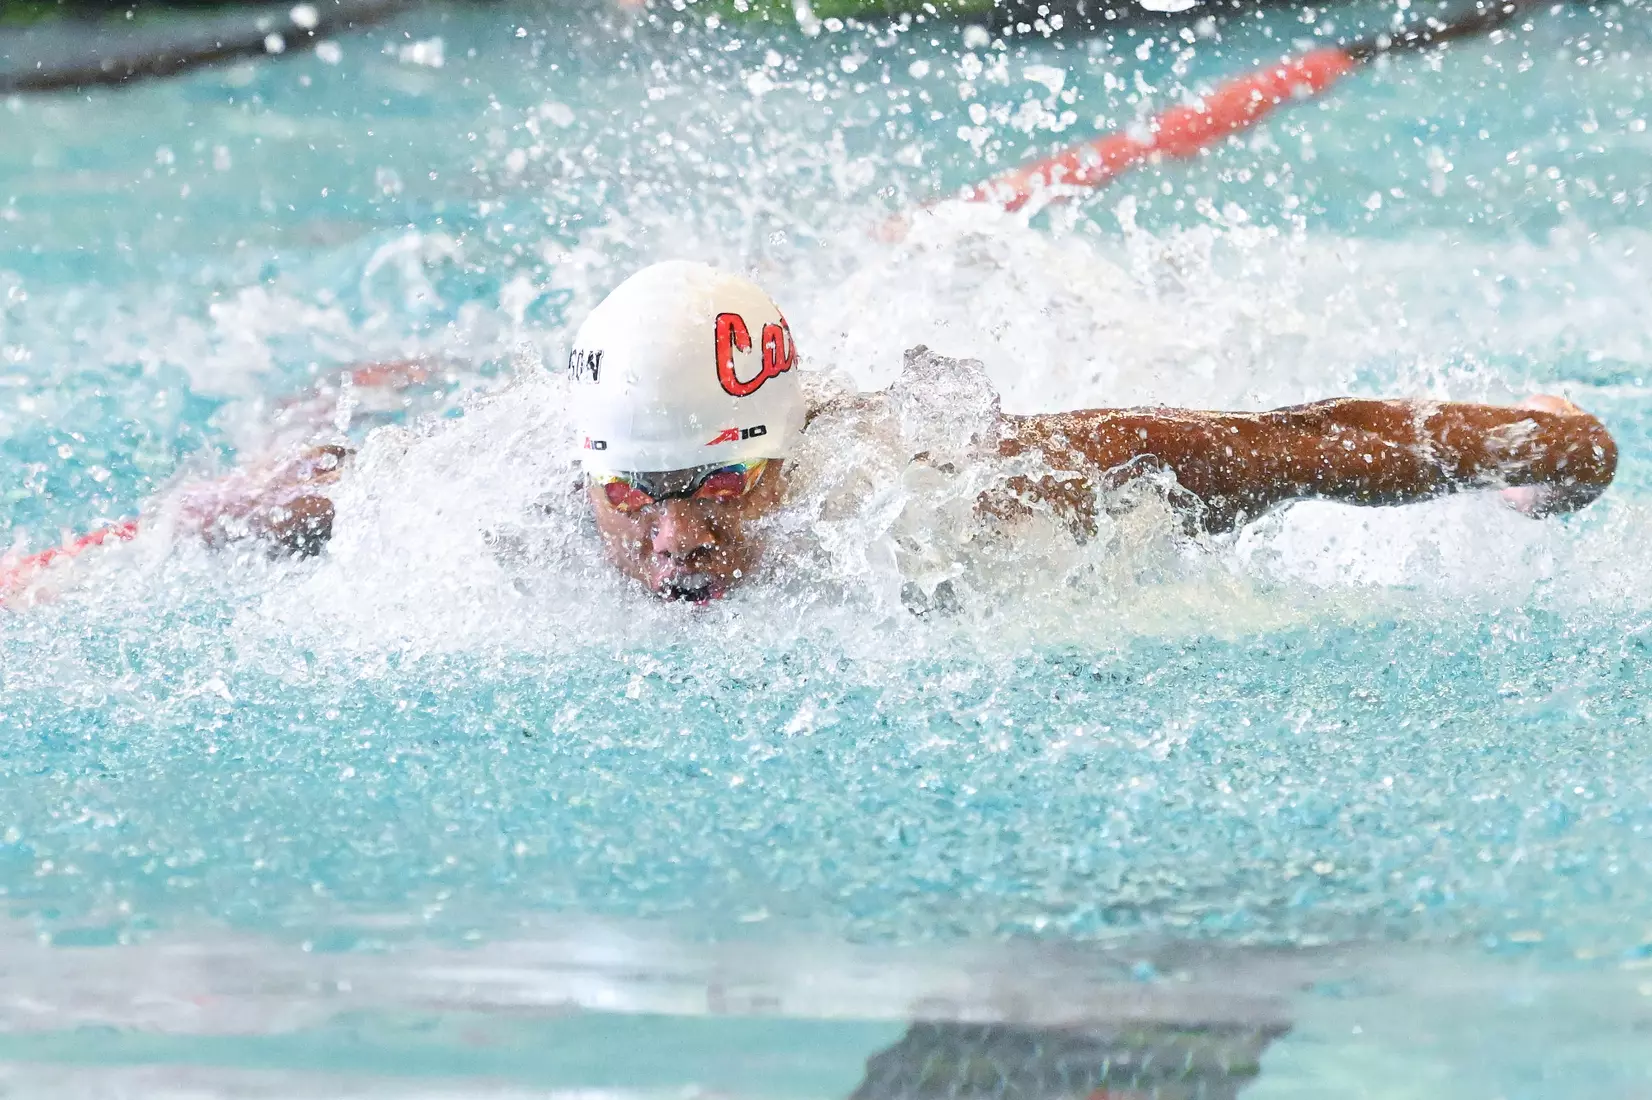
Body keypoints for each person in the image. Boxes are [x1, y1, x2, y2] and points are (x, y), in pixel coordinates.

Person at [165, 260, 1615, 603]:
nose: (675, 545)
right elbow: (338, 490)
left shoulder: (939, 484)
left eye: (720, 490)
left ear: (787, 451)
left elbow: (1283, 441)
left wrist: (1543, 448)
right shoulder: (508, 504)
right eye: (636, 500)